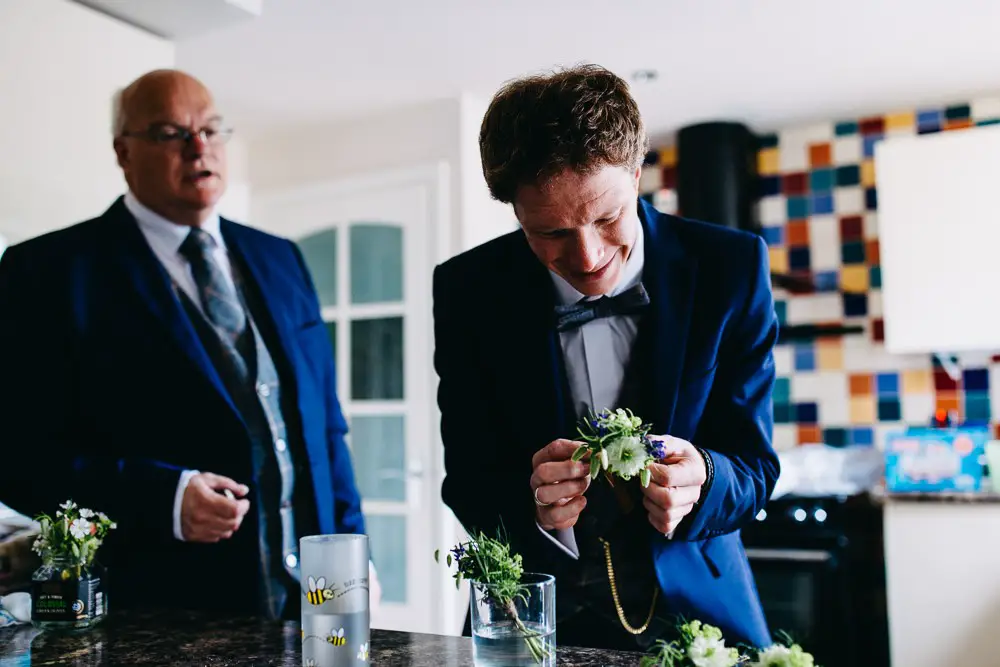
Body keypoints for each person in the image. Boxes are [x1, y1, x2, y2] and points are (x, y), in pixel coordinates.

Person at [0, 69, 378, 619]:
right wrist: (164, 499)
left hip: (312, 605)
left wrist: (353, 554)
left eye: (211, 129)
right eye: (169, 132)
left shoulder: (281, 259)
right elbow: (18, 457)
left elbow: (325, 432)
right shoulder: (47, 273)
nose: (199, 146)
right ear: (123, 152)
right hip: (160, 612)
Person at [433, 64, 779, 651]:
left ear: (637, 173)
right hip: (533, 618)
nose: (588, 256)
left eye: (606, 217)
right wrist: (535, 509)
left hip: (702, 612)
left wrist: (705, 479)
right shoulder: (469, 289)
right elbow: (467, 479)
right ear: (513, 210)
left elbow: (755, 467)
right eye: (551, 233)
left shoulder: (732, 267)